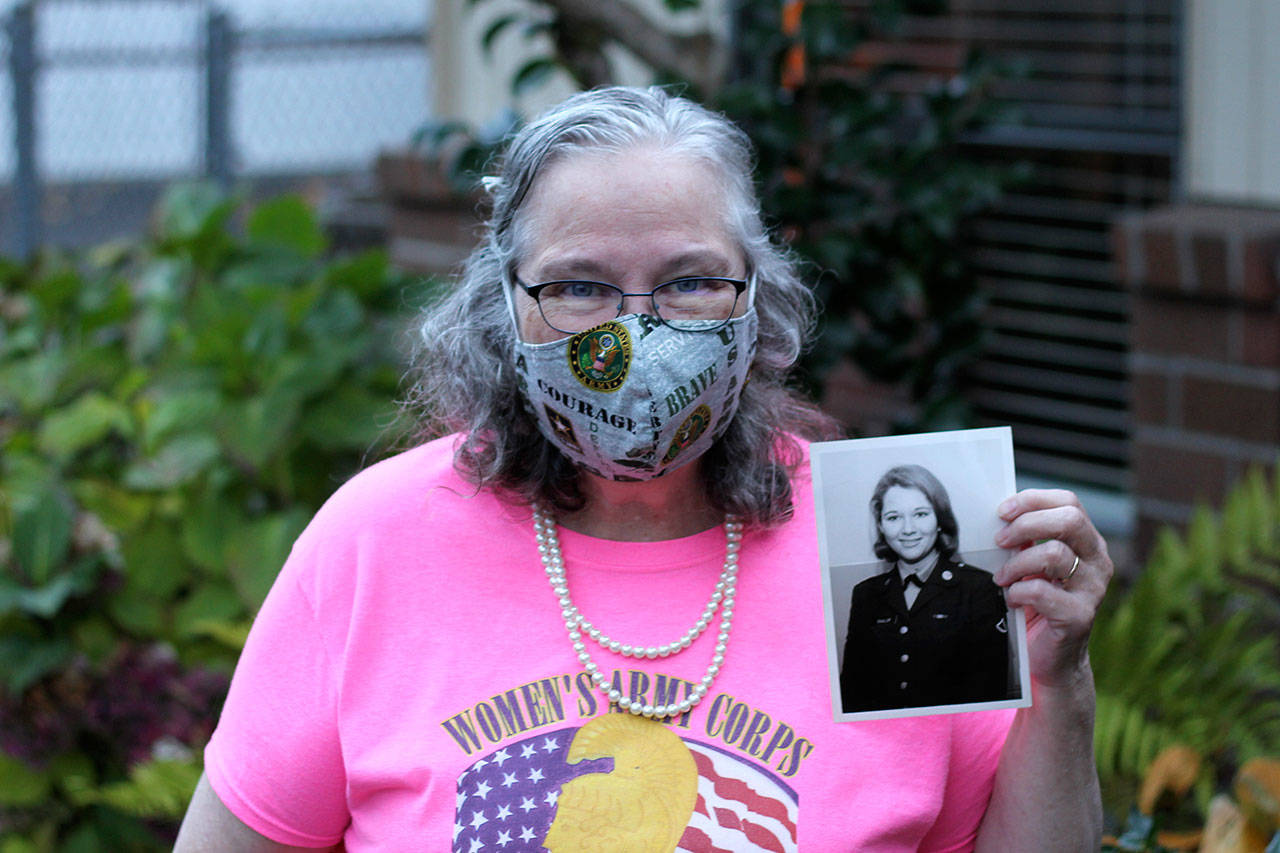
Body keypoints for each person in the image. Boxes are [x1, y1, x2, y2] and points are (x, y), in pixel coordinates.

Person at [176, 86, 1113, 851]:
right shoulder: (378, 539)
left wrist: (1056, 677)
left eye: (690, 280)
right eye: (580, 285)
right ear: (504, 307)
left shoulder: (876, 540)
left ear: (759, 297)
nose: (640, 334)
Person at [840, 465, 1012, 713]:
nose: (908, 529)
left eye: (920, 514)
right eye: (893, 517)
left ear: (940, 520)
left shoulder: (979, 587)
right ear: (880, 526)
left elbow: (988, 690)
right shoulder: (865, 594)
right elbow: (853, 688)